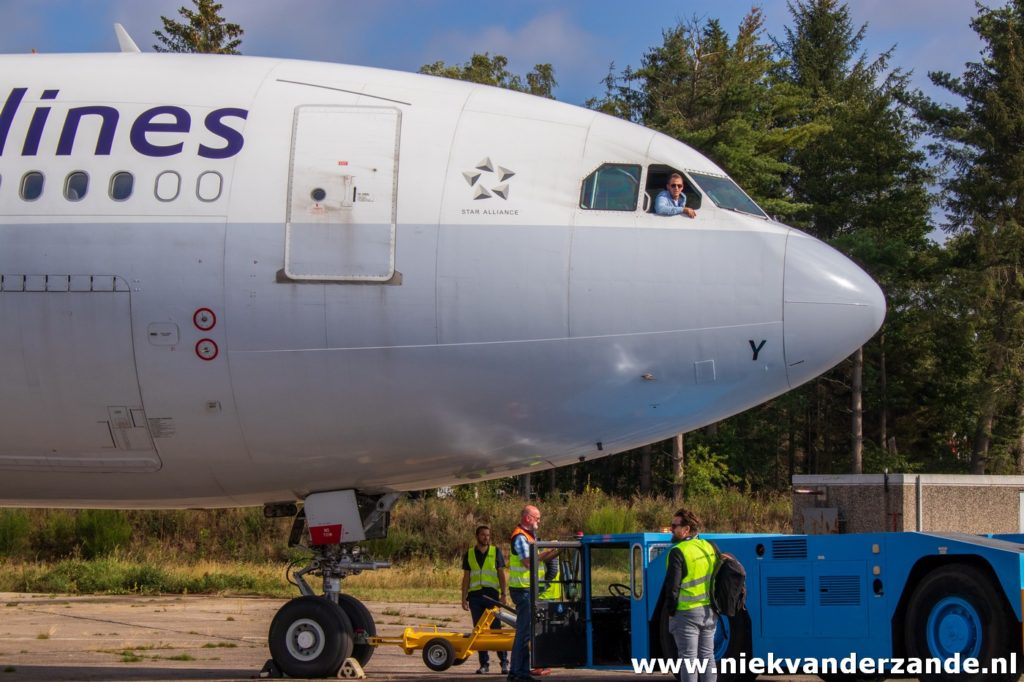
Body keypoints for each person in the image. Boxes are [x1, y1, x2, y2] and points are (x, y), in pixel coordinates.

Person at [662, 508, 718, 682]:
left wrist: (671, 611)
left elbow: (672, 587)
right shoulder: (709, 547)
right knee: (708, 658)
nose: (671, 529)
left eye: (674, 526)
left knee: (688, 660)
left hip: (686, 613)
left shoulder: (678, 551)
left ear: (686, 529)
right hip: (709, 612)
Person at [507, 504, 558, 682]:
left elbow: (538, 562)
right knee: (524, 633)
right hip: (523, 590)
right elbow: (529, 562)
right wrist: (546, 550)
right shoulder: (520, 537)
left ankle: (518, 671)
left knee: (525, 632)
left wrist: (554, 551)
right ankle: (517, 673)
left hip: (529, 589)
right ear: (528, 518)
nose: (539, 520)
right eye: (537, 517)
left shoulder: (529, 536)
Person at [461, 524, 510, 675]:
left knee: (496, 629)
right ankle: (484, 664)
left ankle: (504, 663)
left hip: (492, 596)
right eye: (483, 535)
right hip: (475, 596)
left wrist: (503, 594)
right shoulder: (469, 554)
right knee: (479, 630)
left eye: (488, 535)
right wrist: (464, 598)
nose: (486, 538)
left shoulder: (496, 552)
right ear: (477, 536)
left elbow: (501, 574)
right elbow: (466, 577)